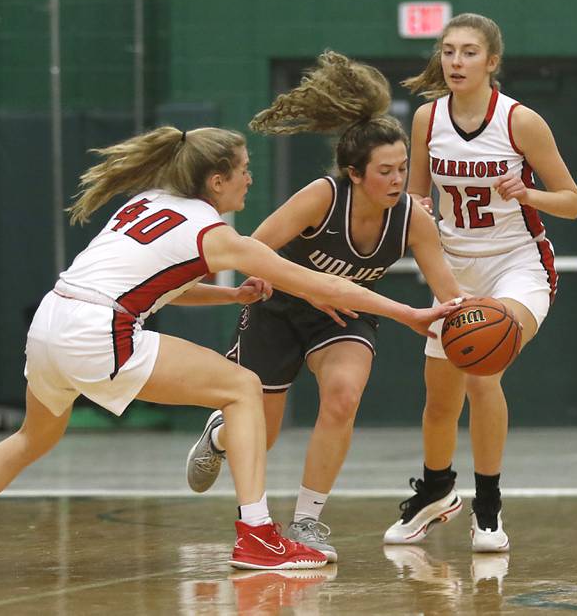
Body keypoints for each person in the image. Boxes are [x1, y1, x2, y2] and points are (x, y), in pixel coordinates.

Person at [0, 126, 459, 571]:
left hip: (50, 323)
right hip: (99, 331)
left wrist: (230, 296)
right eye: (244, 172)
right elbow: (320, 285)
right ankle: (259, 536)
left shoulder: (146, 204)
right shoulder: (213, 231)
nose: (250, 183)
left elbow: (164, 286)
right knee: (242, 389)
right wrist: (408, 313)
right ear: (216, 180)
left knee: (32, 437)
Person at [185, 51, 464, 563]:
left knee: (342, 396)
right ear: (355, 173)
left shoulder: (413, 219)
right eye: (386, 171)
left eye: (404, 168)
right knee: (260, 435)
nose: (399, 179)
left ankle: (308, 522)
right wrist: (313, 287)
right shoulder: (321, 197)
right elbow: (252, 251)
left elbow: (448, 289)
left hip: (347, 317)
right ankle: (220, 433)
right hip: (279, 309)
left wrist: (479, 315)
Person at [383, 13, 577, 552]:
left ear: (492, 62)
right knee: (439, 399)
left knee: (480, 367)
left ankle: (488, 508)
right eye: (448, 52)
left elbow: (572, 201)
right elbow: (421, 198)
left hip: (518, 264)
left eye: (468, 52)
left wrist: (528, 193)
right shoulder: (427, 119)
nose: (455, 62)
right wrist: (413, 210)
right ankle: (435, 492)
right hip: (455, 266)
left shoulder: (521, 122)